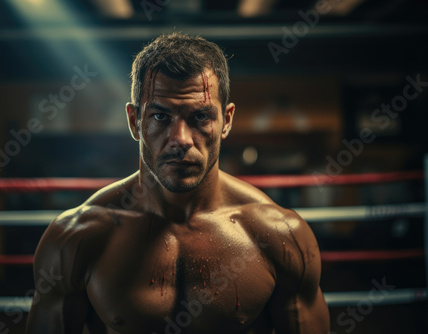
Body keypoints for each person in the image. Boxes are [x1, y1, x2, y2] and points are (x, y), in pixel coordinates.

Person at [25, 33, 330, 334]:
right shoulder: (78, 237)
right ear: (134, 121)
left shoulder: (279, 235)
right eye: (160, 116)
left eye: (200, 117)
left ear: (227, 120)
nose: (180, 140)